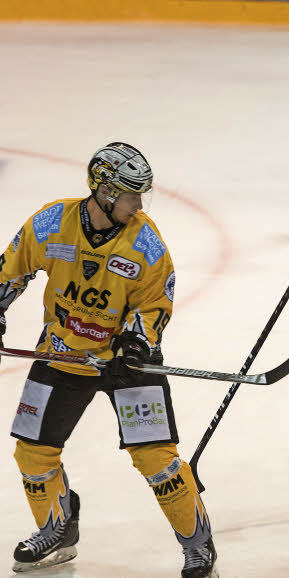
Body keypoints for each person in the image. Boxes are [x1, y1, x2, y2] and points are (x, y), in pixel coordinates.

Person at [0, 143, 216, 576]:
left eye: (142, 196)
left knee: (156, 458)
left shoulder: (146, 243)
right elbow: (10, 269)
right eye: (131, 195)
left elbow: (155, 305)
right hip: (62, 353)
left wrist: (135, 346)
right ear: (102, 191)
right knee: (33, 453)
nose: (138, 204)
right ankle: (57, 531)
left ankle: (198, 548)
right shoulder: (50, 224)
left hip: (128, 365)